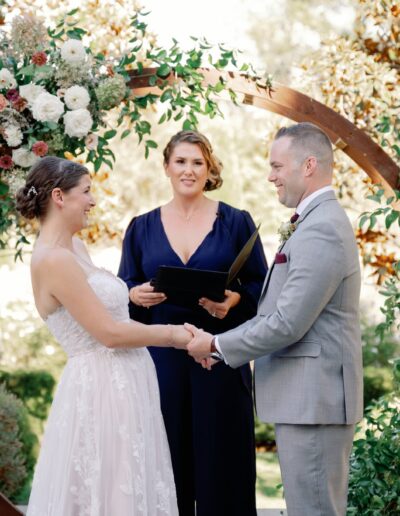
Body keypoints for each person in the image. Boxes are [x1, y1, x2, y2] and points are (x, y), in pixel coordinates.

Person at [186, 122, 363, 516]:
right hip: (306, 401)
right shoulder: (313, 222)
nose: (271, 176)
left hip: (315, 401)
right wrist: (219, 347)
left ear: (309, 165)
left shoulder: (322, 229)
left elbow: (287, 323)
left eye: (277, 166)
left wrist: (215, 344)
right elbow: (277, 313)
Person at [16, 156, 191, 516]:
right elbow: (108, 333)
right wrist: (177, 336)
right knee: (110, 491)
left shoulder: (75, 249)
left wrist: (128, 295)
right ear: (59, 197)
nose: (93, 201)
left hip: (126, 381)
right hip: (102, 389)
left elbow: (97, 307)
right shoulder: (52, 259)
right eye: (86, 192)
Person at [118, 130, 268, 516]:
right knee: (166, 468)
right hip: (160, 364)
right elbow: (124, 292)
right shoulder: (140, 227)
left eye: (197, 162)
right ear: (167, 167)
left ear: (209, 169)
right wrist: (135, 295)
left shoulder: (237, 222)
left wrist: (234, 300)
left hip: (218, 358)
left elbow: (261, 288)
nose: (189, 170)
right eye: (181, 161)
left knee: (225, 469)